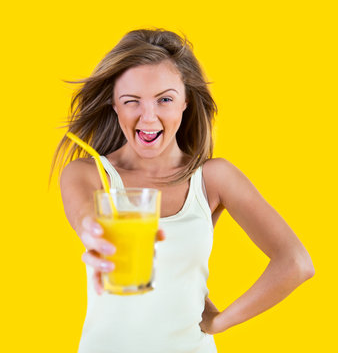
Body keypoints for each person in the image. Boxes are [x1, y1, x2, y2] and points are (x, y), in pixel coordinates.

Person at [51, 28, 315, 353]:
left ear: (185, 101)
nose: (149, 117)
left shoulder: (213, 178)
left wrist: (220, 321)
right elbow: (86, 217)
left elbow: (296, 262)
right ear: (114, 103)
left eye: (165, 99)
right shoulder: (88, 174)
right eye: (132, 100)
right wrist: (96, 236)